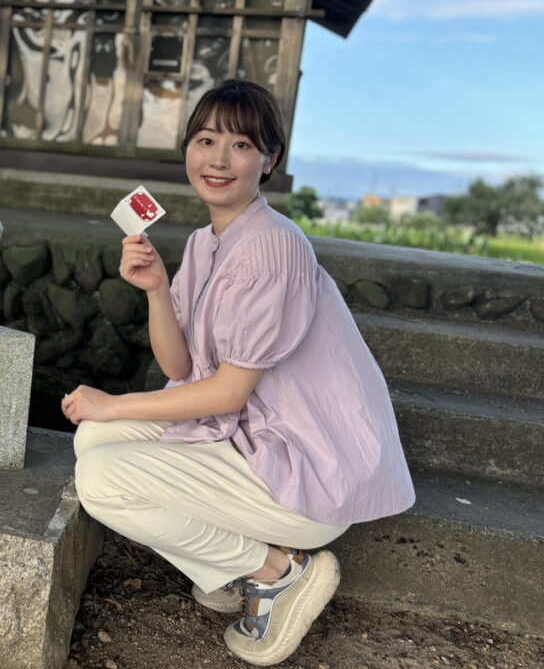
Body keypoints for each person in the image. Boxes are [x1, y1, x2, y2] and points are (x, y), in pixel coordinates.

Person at [61, 80, 414, 666]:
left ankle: (277, 571)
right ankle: (231, 564)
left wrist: (115, 402)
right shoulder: (206, 241)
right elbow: (179, 368)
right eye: (205, 140)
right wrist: (155, 290)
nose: (218, 160)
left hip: (304, 470)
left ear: (269, 160)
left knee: (102, 477)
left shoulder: (273, 247)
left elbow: (226, 391)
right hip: (252, 442)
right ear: (187, 151)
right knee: (93, 439)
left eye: (241, 145)